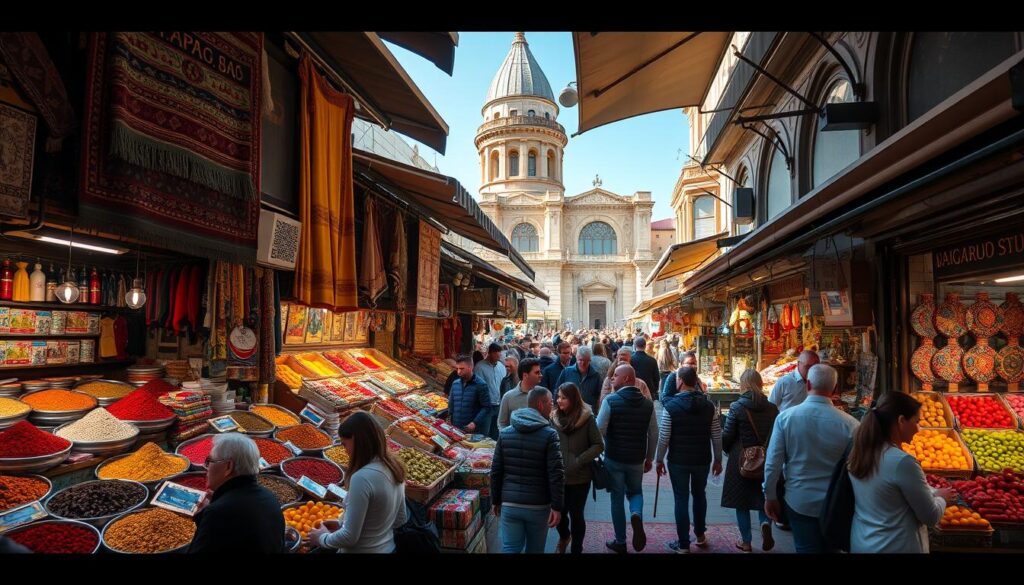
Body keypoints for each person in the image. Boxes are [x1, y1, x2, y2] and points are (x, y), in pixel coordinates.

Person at [763, 364, 859, 553]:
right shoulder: (851, 425)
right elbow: (856, 467)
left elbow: (773, 463)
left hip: (798, 499)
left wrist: (770, 495)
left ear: (807, 385)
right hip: (835, 502)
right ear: (835, 389)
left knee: (805, 548)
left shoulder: (785, 419)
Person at [848, 392, 956, 553]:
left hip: (863, 542)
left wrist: (930, 491)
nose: (919, 429)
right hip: (895, 545)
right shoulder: (902, 462)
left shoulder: (860, 452)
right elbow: (930, 516)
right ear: (901, 421)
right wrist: (942, 497)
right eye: (916, 422)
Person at [307, 412, 407, 553]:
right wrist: (343, 523)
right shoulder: (394, 468)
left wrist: (321, 538)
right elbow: (400, 519)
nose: (345, 451)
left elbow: (349, 537)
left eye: (345, 444)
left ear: (356, 440)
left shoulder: (362, 478)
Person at [655, 367, 723, 554]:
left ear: (680, 382)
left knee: (681, 498)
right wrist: (718, 459)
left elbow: (664, 437)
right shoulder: (709, 406)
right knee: (700, 494)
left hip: (678, 460)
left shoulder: (671, 407)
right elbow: (716, 435)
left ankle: (683, 543)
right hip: (702, 458)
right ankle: (700, 534)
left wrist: (659, 459)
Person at [491, 387, 564, 553]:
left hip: (510, 503)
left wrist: (496, 500)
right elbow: (556, 474)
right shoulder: (550, 435)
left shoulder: (505, 433)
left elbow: (496, 470)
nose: (553, 406)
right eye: (551, 402)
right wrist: (557, 506)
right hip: (538, 505)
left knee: (510, 548)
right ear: (541, 405)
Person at [188, 433, 286, 553]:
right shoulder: (269, 496)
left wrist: (204, 516)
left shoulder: (218, 513)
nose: (206, 468)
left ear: (228, 467)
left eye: (209, 461)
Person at [597, 364, 658, 554]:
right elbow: (654, 433)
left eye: (615, 375)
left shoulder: (610, 401)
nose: (612, 378)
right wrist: (650, 457)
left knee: (616, 498)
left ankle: (620, 541)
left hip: (614, 457)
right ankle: (636, 514)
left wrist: (601, 451)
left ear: (626, 379)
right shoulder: (648, 404)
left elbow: (599, 429)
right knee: (635, 492)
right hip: (637, 458)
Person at [721, 370, 779, 553]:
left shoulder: (737, 407)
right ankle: (764, 523)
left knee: (742, 501)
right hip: (766, 458)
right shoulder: (772, 408)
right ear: (760, 384)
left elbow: (728, 434)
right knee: (763, 496)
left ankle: (746, 542)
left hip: (742, 459)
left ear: (743, 384)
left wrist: (725, 449)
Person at [551, 382, 604, 554]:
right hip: (558, 476)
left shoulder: (587, 418)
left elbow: (598, 445)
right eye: (558, 397)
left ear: (573, 399)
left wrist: (579, 460)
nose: (559, 400)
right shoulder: (553, 418)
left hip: (580, 477)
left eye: (564, 398)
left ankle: (576, 548)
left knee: (576, 515)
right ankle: (565, 536)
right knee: (559, 514)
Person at [450, 354, 495, 435]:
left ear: (470, 367)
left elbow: (486, 407)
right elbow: (451, 403)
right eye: (457, 369)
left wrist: (474, 423)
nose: (458, 372)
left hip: (472, 430)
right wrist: (449, 418)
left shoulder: (481, 385)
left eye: (462, 369)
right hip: (455, 429)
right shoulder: (455, 384)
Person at [498, 358, 543, 430]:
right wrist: (507, 436)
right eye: (537, 372)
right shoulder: (508, 397)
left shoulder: (542, 394)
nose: (541, 375)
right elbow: (502, 423)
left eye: (540, 372)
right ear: (525, 375)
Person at [556, 346, 603, 414]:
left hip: (588, 413)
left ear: (590, 360)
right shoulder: (567, 372)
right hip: (568, 412)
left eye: (586, 361)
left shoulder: (596, 375)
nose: (583, 364)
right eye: (580, 360)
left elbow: (599, 396)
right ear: (576, 358)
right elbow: (557, 390)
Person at [475, 343, 507, 439]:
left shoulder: (501, 366)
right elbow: (478, 387)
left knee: (496, 432)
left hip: (499, 405)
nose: (499, 355)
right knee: (484, 433)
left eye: (500, 353)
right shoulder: (479, 367)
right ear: (490, 353)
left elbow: (504, 384)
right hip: (486, 406)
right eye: (496, 353)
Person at [629, 337, 661, 402]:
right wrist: (655, 390)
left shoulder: (630, 359)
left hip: (634, 390)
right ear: (645, 346)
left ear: (635, 346)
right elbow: (657, 377)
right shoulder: (652, 360)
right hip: (649, 390)